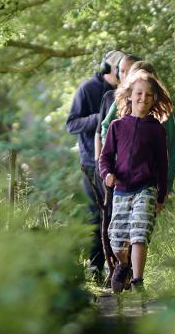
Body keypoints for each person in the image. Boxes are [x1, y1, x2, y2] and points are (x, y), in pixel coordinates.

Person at [99, 68, 173, 293]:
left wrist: (160, 196)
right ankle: (123, 265)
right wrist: (107, 174)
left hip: (146, 188)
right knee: (117, 239)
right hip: (121, 189)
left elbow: (163, 165)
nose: (143, 98)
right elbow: (105, 157)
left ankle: (138, 282)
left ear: (154, 100)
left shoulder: (156, 130)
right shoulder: (117, 126)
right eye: (139, 93)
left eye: (148, 95)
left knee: (139, 233)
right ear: (129, 96)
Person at [66, 50, 124, 282]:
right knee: (97, 215)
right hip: (92, 162)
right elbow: (71, 124)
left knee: (116, 215)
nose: (123, 73)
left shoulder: (125, 91)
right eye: (119, 68)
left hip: (120, 164)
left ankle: (119, 269)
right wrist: (98, 118)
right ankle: (95, 267)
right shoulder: (87, 89)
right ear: (108, 69)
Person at [101, 61, 175, 193]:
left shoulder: (164, 112)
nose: (143, 96)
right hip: (121, 179)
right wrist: (112, 165)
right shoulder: (121, 102)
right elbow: (106, 128)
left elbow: (171, 147)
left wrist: (166, 185)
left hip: (148, 183)